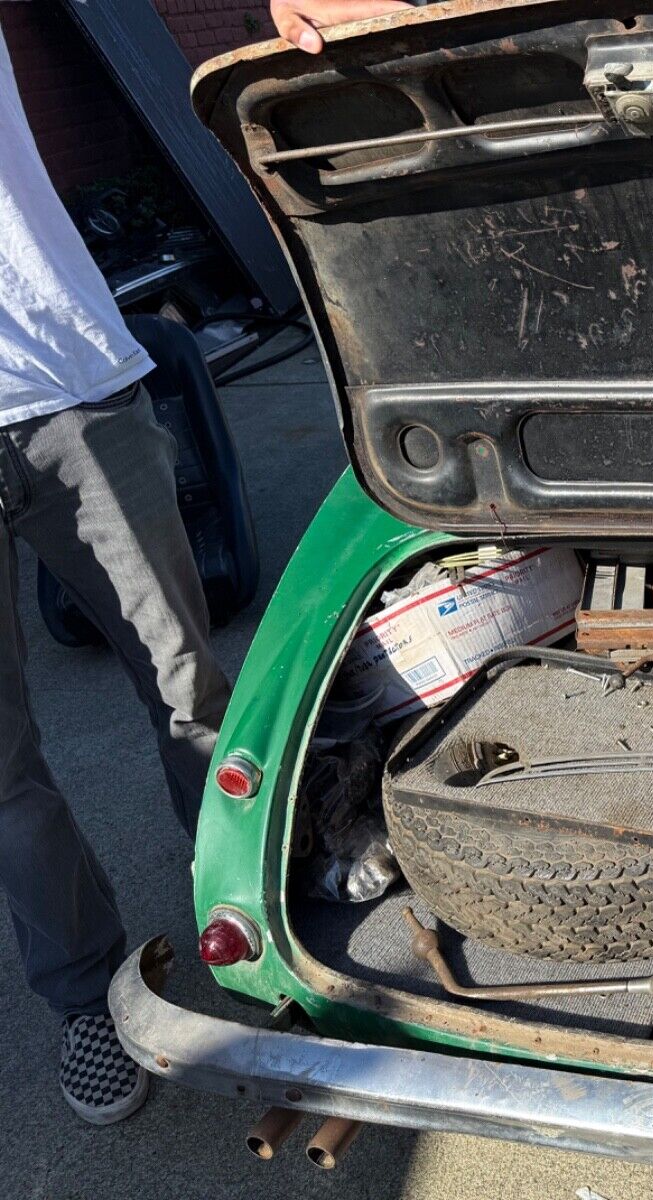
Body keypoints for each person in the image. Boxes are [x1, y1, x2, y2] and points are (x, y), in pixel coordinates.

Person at [0, 0, 401, 1127]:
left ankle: (258, 919)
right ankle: (89, 997)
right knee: (3, 776)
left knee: (189, 691)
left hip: (71, 390)